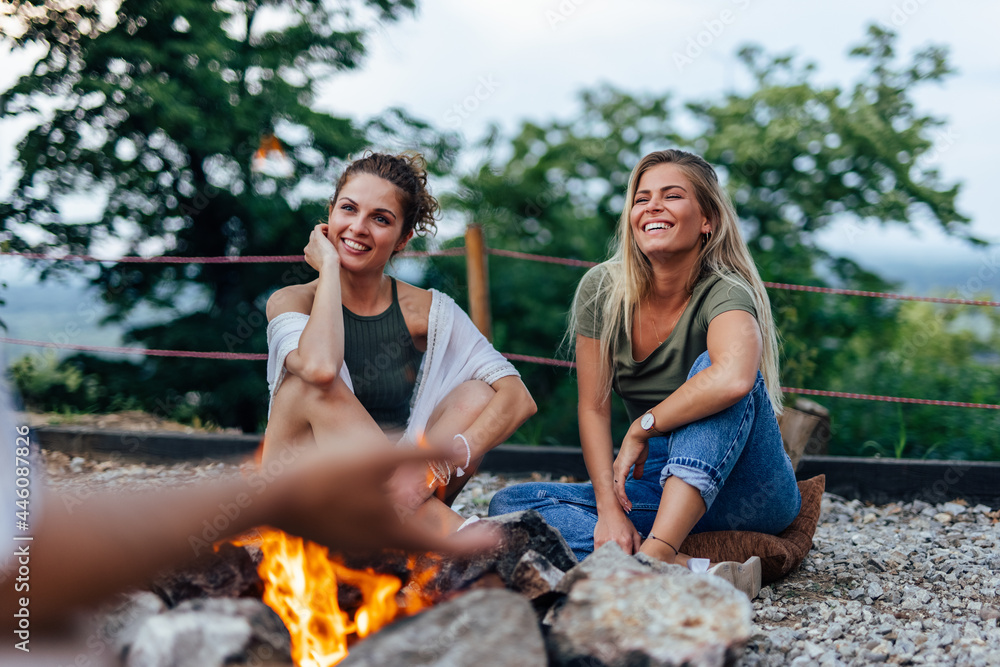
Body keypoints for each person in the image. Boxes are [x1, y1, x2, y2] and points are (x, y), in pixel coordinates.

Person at [489, 149, 801, 592]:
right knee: (510, 506)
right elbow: (593, 409)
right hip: (656, 485)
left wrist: (642, 426)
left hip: (747, 490)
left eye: (672, 196)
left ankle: (653, 560)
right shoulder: (602, 289)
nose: (652, 206)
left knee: (711, 370)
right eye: (642, 198)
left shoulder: (725, 289)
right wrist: (609, 511)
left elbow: (733, 377)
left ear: (707, 220)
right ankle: (690, 564)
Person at [263, 152, 537, 532]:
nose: (358, 227)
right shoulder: (291, 301)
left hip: (404, 495)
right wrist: (328, 268)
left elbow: (517, 398)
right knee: (309, 387)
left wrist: (436, 466)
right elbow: (321, 368)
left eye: (380, 219)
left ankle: (412, 531)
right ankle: (461, 538)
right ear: (329, 216)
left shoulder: (428, 312)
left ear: (403, 239)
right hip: (306, 496)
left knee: (477, 394)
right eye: (348, 209)